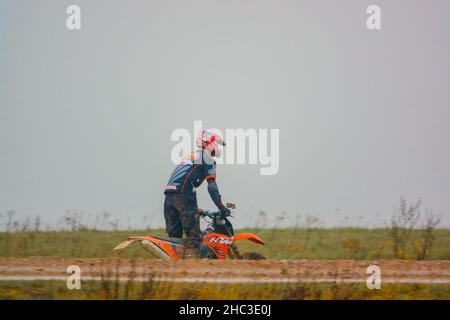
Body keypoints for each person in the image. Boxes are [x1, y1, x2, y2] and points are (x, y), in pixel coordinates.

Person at [163, 129, 230, 257]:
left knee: (175, 240)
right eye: (217, 143)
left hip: (169, 196)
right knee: (195, 240)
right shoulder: (208, 158)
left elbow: (190, 181)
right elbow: (212, 188)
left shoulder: (193, 156)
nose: (219, 148)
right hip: (183, 197)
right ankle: (197, 268)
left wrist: (193, 208)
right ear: (211, 142)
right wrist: (221, 207)